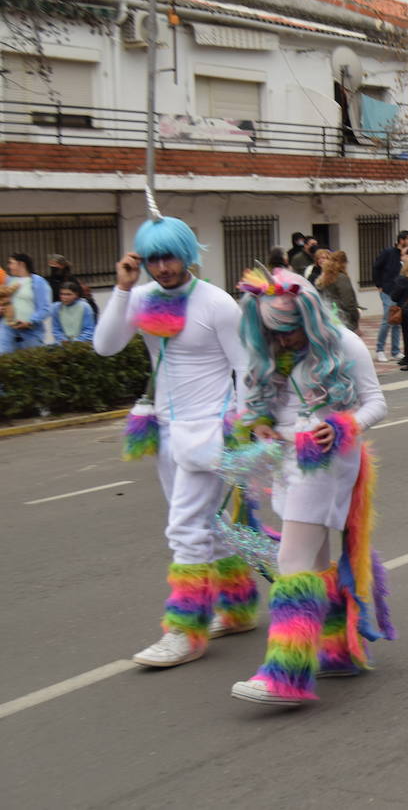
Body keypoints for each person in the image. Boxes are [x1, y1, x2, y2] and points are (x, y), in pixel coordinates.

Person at [92, 210, 252, 668]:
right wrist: (121, 288)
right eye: (154, 258)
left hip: (209, 431)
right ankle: (237, 608)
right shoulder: (140, 297)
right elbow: (105, 346)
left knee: (185, 527)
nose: (163, 267)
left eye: (171, 258)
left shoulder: (217, 303)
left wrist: (239, 428)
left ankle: (185, 630)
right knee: (208, 525)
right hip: (164, 429)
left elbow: (247, 367)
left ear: (186, 256)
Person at [228, 268, 393, 706]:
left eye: (289, 331)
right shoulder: (266, 347)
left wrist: (342, 426)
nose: (283, 340)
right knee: (315, 558)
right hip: (284, 460)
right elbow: (259, 403)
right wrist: (259, 423)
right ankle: (334, 648)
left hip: (325, 460)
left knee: (293, 560)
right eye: (273, 332)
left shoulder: (344, 343)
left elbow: (376, 402)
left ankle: (286, 674)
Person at [370, 230, 408, 363]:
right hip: (388, 290)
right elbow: (376, 267)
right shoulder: (388, 253)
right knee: (387, 319)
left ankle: (395, 351)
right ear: (401, 240)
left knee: (397, 320)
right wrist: (379, 285)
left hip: (400, 292)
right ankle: (380, 350)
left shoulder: (407, 255)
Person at [3, 252, 53, 352]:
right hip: (7, 329)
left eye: (11, 263)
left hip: (31, 332)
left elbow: (45, 308)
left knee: (31, 360)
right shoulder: (8, 281)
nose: (9, 266)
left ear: (21, 264)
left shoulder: (38, 282)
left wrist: (30, 321)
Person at [316, 250, 361, 332]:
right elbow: (348, 302)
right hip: (343, 317)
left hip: (329, 315)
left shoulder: (324, 277)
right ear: (344, 263)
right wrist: (355, 317)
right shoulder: (341, 277)